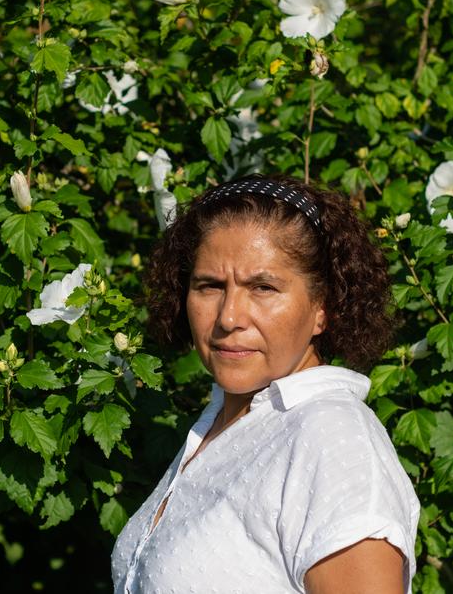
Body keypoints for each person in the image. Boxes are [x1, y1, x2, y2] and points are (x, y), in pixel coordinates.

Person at [111, 175, 419, 594]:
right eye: (210, 286)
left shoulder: (331, 438)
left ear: (322, 308)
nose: (228, 317)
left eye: (263, 287)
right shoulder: (224, 423)